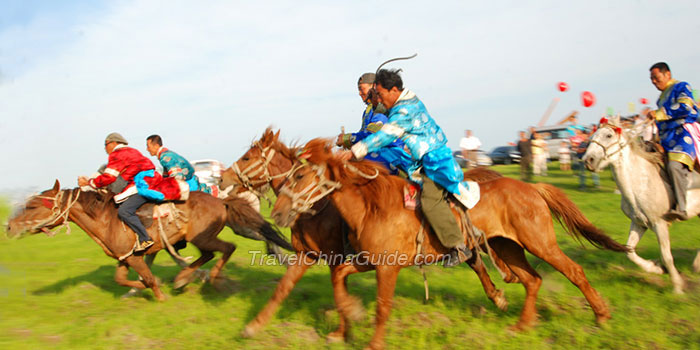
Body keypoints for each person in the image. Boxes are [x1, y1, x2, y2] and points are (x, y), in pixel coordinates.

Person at [349, 68, 473, 267]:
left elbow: (386, 134)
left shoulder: (405, 110)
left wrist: (354, 150)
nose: (378, 99)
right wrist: (374, 99)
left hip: (436, 163)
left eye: (380, 94)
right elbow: (382, 110)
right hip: (423, 163)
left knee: (430, 201)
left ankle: (458, 246)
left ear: (394, 90)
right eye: (376, 95)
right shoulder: (400, 104)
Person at [78, 133, 155, 251]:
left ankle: (145, 238)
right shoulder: (131, 151)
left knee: (124, 211)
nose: (105, 148)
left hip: (143, 185)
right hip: (148, 181)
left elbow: (109, 177)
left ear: (114, 143)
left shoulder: (117, 154)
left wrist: (89, 183)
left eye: (106, 144)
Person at [646, 62, 699, 220]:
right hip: (666, 139)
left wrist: (659, 114)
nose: (654, 82)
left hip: (683, 135)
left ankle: (681, 208)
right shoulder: (660, 99)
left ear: (667, 74)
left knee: (675, 166)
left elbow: (685, 107)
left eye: (656, 78)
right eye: (652, 79)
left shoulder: (682, 86)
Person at [336, 72, 410, 174]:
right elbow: (363, 134)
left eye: (362, 88)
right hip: (376, 152)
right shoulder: (368, 111)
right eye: (358, 89)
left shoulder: (382, 107)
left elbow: (373, 135)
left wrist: (347, 138)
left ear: (373, 88)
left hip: (391, 154)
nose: (359, 93)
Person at [145, 134, 219, 197]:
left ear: (156, 146)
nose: (147, 149)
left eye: (148, 146)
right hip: (190, 181)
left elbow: (177, 176)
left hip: (189, 185)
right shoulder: (166, 155)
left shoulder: (165, 158)